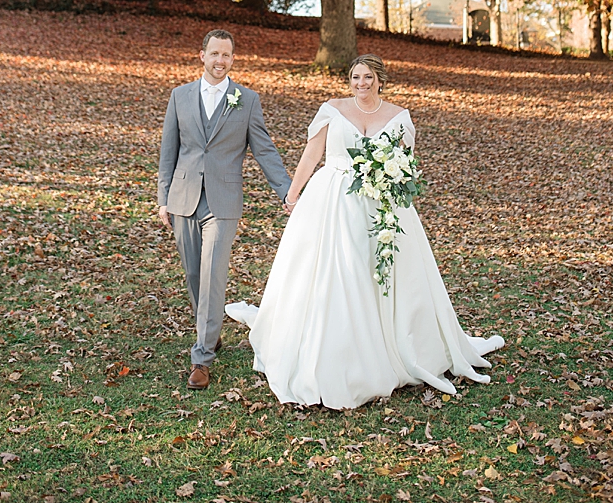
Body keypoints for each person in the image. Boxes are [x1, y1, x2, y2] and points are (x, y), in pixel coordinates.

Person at [227, 54, 505, 408]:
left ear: (379, 80)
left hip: (381, 205)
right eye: (356, 77)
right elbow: (312, 154)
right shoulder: (332, 109)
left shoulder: (399, 118)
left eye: (368, 77)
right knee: (337, 272)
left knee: (380, 274)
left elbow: (407, 168)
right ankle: (336, 351)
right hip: (332, 200)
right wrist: (293, 193)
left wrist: (392, 181)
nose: (361, 83)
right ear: (350, 81)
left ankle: (389, 346)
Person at [158, 29, 292, 389]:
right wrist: (163, 197)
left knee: (214, 273)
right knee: (194, 276)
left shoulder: (246, 100)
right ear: (201, 55)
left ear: (233, 60)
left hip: (223, 202)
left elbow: (264, 150)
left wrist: (287, 191)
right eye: (214, 53)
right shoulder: (179, 96)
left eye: (227, 55)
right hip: (184, 198)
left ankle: (202, 357)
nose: (220, 61)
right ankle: (211, 329)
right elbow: (168, 151)